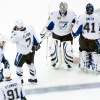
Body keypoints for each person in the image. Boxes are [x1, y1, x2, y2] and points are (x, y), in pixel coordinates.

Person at [40, 2, 76, 69]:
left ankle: (68, 62)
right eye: (61, 8)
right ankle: (55, 62)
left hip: (67, 35)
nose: (63, 10)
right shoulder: (54, 14)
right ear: (59, 8)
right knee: (55, 48)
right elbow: (48, 25)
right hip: (56, 34)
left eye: (64, 9)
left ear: (66, 8)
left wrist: (75, 31)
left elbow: (76, 23)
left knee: (67, 49)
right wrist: (44, 32)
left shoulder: (72, 14)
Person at [10, 19, 40, 84]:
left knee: (18, 65)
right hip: (31, 51)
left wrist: (13, 31)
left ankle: (20, 80)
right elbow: (34, 36)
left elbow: (11, 40)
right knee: (31, 63)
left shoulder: (17, 34)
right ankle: (33, 78)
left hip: (22, 53)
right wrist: (37, 44)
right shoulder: (30, 28)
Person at [72, 3, 100, 72]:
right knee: (96, 56)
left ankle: (84, 66)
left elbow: (75, 31)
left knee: (83, 54)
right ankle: (96, 66)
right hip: (95, 41)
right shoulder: (98, 16)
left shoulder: (82, 17)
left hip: (84, 41)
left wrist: (74, 34)